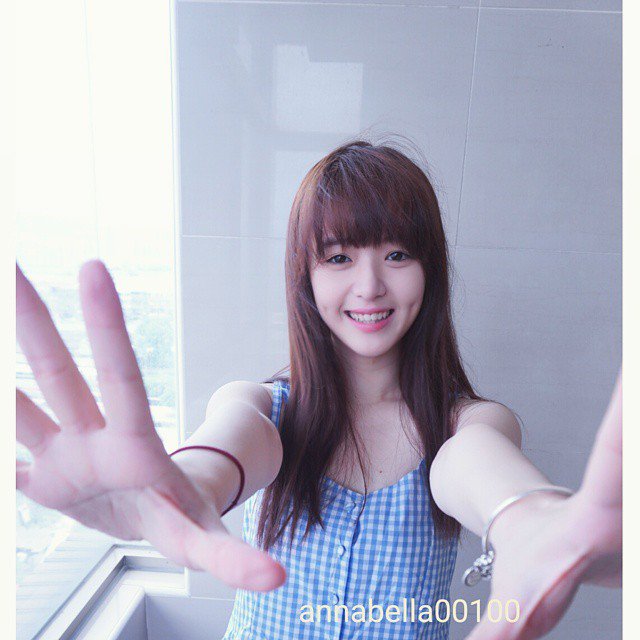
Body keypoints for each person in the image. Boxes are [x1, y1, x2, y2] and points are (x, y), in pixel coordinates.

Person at [16, 139, 621, 640]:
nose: (370, 285)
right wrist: (179, 490)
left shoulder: (468, 426)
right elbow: (225, 448)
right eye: (338, 258)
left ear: (430, 270)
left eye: (398, 254)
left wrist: (529, 520)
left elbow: (482, 469)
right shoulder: (262, 408)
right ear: (304, 275)